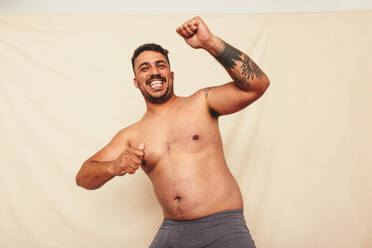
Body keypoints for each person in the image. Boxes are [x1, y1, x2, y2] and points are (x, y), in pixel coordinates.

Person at [76, 16, 269, 248]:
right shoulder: (132, 135)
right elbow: (84, 177)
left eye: (161, 65)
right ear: (137, 82)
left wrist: (210, 42)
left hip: (223, 228)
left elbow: (258, 84)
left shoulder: (202, 103)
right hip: (174, 232)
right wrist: (114, 166)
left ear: (171, 74)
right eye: (145, 68)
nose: (154, 72)